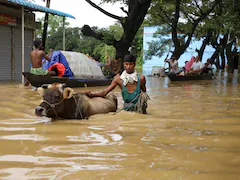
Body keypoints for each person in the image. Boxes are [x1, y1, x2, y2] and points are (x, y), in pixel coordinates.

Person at [85, 54, 149, 114]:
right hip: (126, 110)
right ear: (123, 64)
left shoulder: (141, 78)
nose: (128, 67)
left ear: (134, 64)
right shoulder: (118, 79)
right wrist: (92, 94)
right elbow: (105, 92)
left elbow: (144, 95)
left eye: (131, 64)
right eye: (126, 64)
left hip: (140, 110)